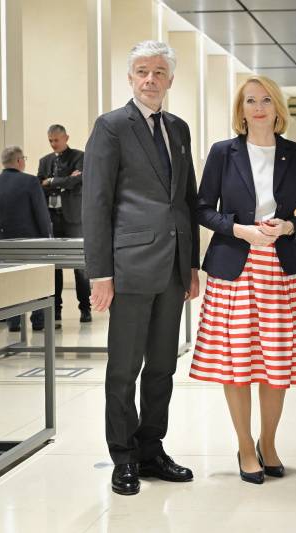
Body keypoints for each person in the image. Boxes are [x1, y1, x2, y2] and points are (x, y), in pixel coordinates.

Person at [82, 40, 200, 496]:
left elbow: (187, 200)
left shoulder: (180, 128)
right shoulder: (111, 127)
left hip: (173, 268)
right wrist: (100, 273)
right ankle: (123, 456)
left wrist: (191, 266)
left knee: (162, 367)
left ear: (170, 80)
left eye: (158, 72)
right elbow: (96, 203)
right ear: (130, 78)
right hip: (129, 267)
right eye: (141, 72)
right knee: (124, 368)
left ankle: (152, 449)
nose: (149, 79)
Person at [188, 75, 296, 485]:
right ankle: (246, 447)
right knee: (237, 362)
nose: (258, 107)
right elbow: (202, 208)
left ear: (277, 107)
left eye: (265, 100)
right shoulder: (223, 153)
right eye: (250, 100)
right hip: (235, 269)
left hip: (280, 268)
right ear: (240, 109)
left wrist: (287, 227)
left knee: (276, 362)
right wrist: (237, 229)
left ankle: (269, 441)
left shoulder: (295, 154)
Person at [0, 146, 55, 331]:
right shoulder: (30, 181)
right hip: (30, 241)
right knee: (37, 280)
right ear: (19, 161)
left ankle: (13, 321)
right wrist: (48, 236)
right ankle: (39, 320)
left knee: (9, 282)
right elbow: (41, 213)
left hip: (0, 242)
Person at [37, 125, 91, 323]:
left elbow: (76, 182)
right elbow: (39, 186)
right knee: (54, 266)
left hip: (74, 219)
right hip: (52, 218)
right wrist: (60, 181)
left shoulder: (79, 157)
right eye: (50, 140)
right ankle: (56, 309)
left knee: (81, 266)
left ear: (66, 137)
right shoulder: (45, 161)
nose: (53, 144)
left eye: (56, 140)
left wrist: (50, 182)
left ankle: (85, 308)